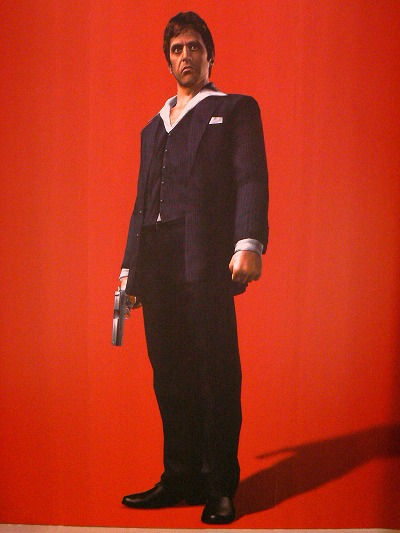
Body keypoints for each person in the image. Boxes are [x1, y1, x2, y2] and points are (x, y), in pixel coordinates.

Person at [119, 11, 268, 524]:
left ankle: (219, 485)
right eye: (177, 49)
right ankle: (179, 476)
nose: (186, 56)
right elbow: (140, 205)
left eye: (194, 47)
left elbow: (251, 178)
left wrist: (248, 242)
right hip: (157, 259)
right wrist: (129, 272)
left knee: (215, 370)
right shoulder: (152, 128)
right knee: (169, 374)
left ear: (210, 56)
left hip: (204, 254)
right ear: (169, 61)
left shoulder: (234, 109)